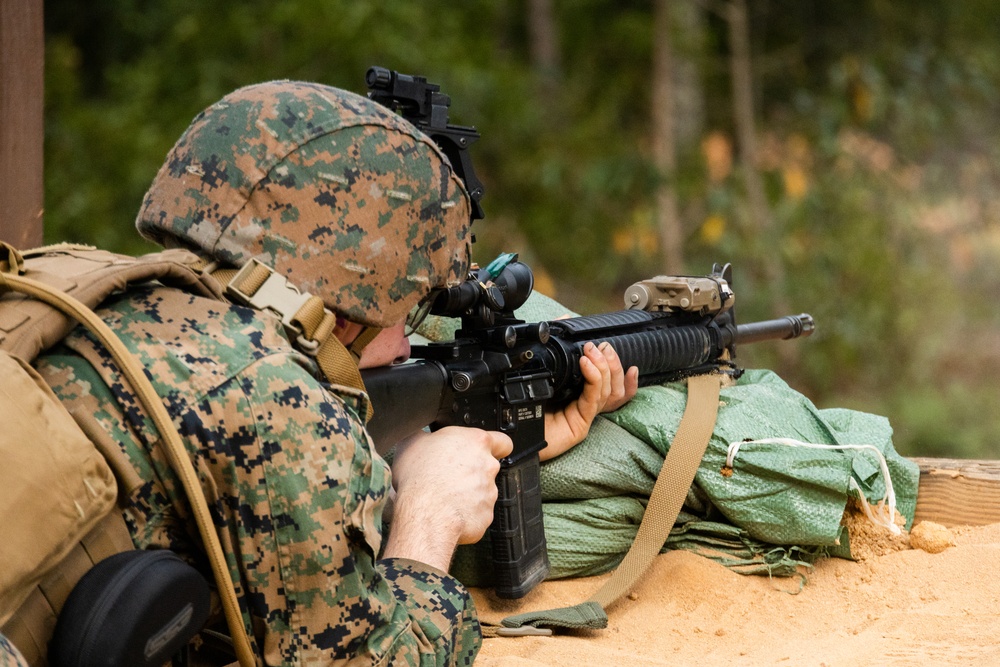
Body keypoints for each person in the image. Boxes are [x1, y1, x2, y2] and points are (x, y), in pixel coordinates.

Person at [23, 80, 636, 665]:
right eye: (413, 307)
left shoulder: (97, 303)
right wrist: (430, 511)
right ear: (349, 310)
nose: (412, 340)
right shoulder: (277, 400)